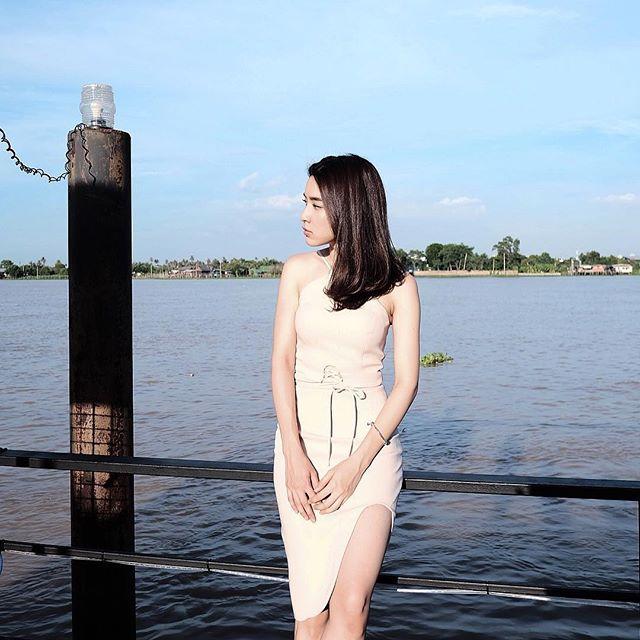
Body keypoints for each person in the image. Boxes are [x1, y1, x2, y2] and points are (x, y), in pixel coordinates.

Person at [271, 154, 420, 639]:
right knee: (311, 610)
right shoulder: (297, 272)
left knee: (351, 604)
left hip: (370, 455)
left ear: (350, 207)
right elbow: (281, 363)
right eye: (305, 202)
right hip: (304, 452)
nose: (304, 215)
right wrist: (294, 456)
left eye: (316, 204)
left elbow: (406, 383)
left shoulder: (399, 285)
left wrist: (357, 464)